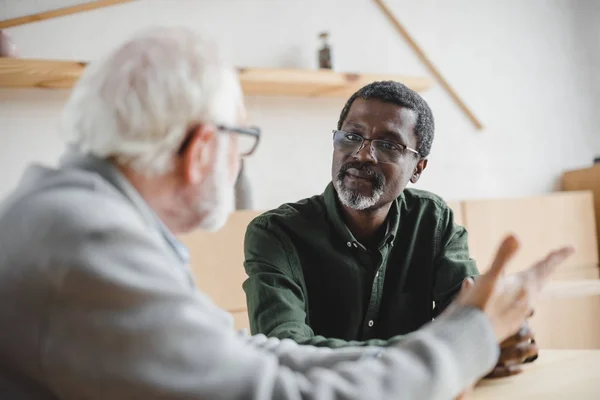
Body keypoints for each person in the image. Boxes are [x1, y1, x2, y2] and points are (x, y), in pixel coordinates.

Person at [0, 27, 572, 400]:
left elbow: (241, 352)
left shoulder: (69, 217)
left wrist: (470, 335)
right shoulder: (89, 245)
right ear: (203, 150)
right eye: (242, 136)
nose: (363, 153)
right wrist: (464, 342)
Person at [243, 81, 535, 378]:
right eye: (352, 136)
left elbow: (471, 319)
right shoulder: (276, 233)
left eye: (388, 145)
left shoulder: (432, 221)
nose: (362, 154)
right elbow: (285, 349)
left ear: (418, 168)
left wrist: (502, 330)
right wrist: (438, 353)